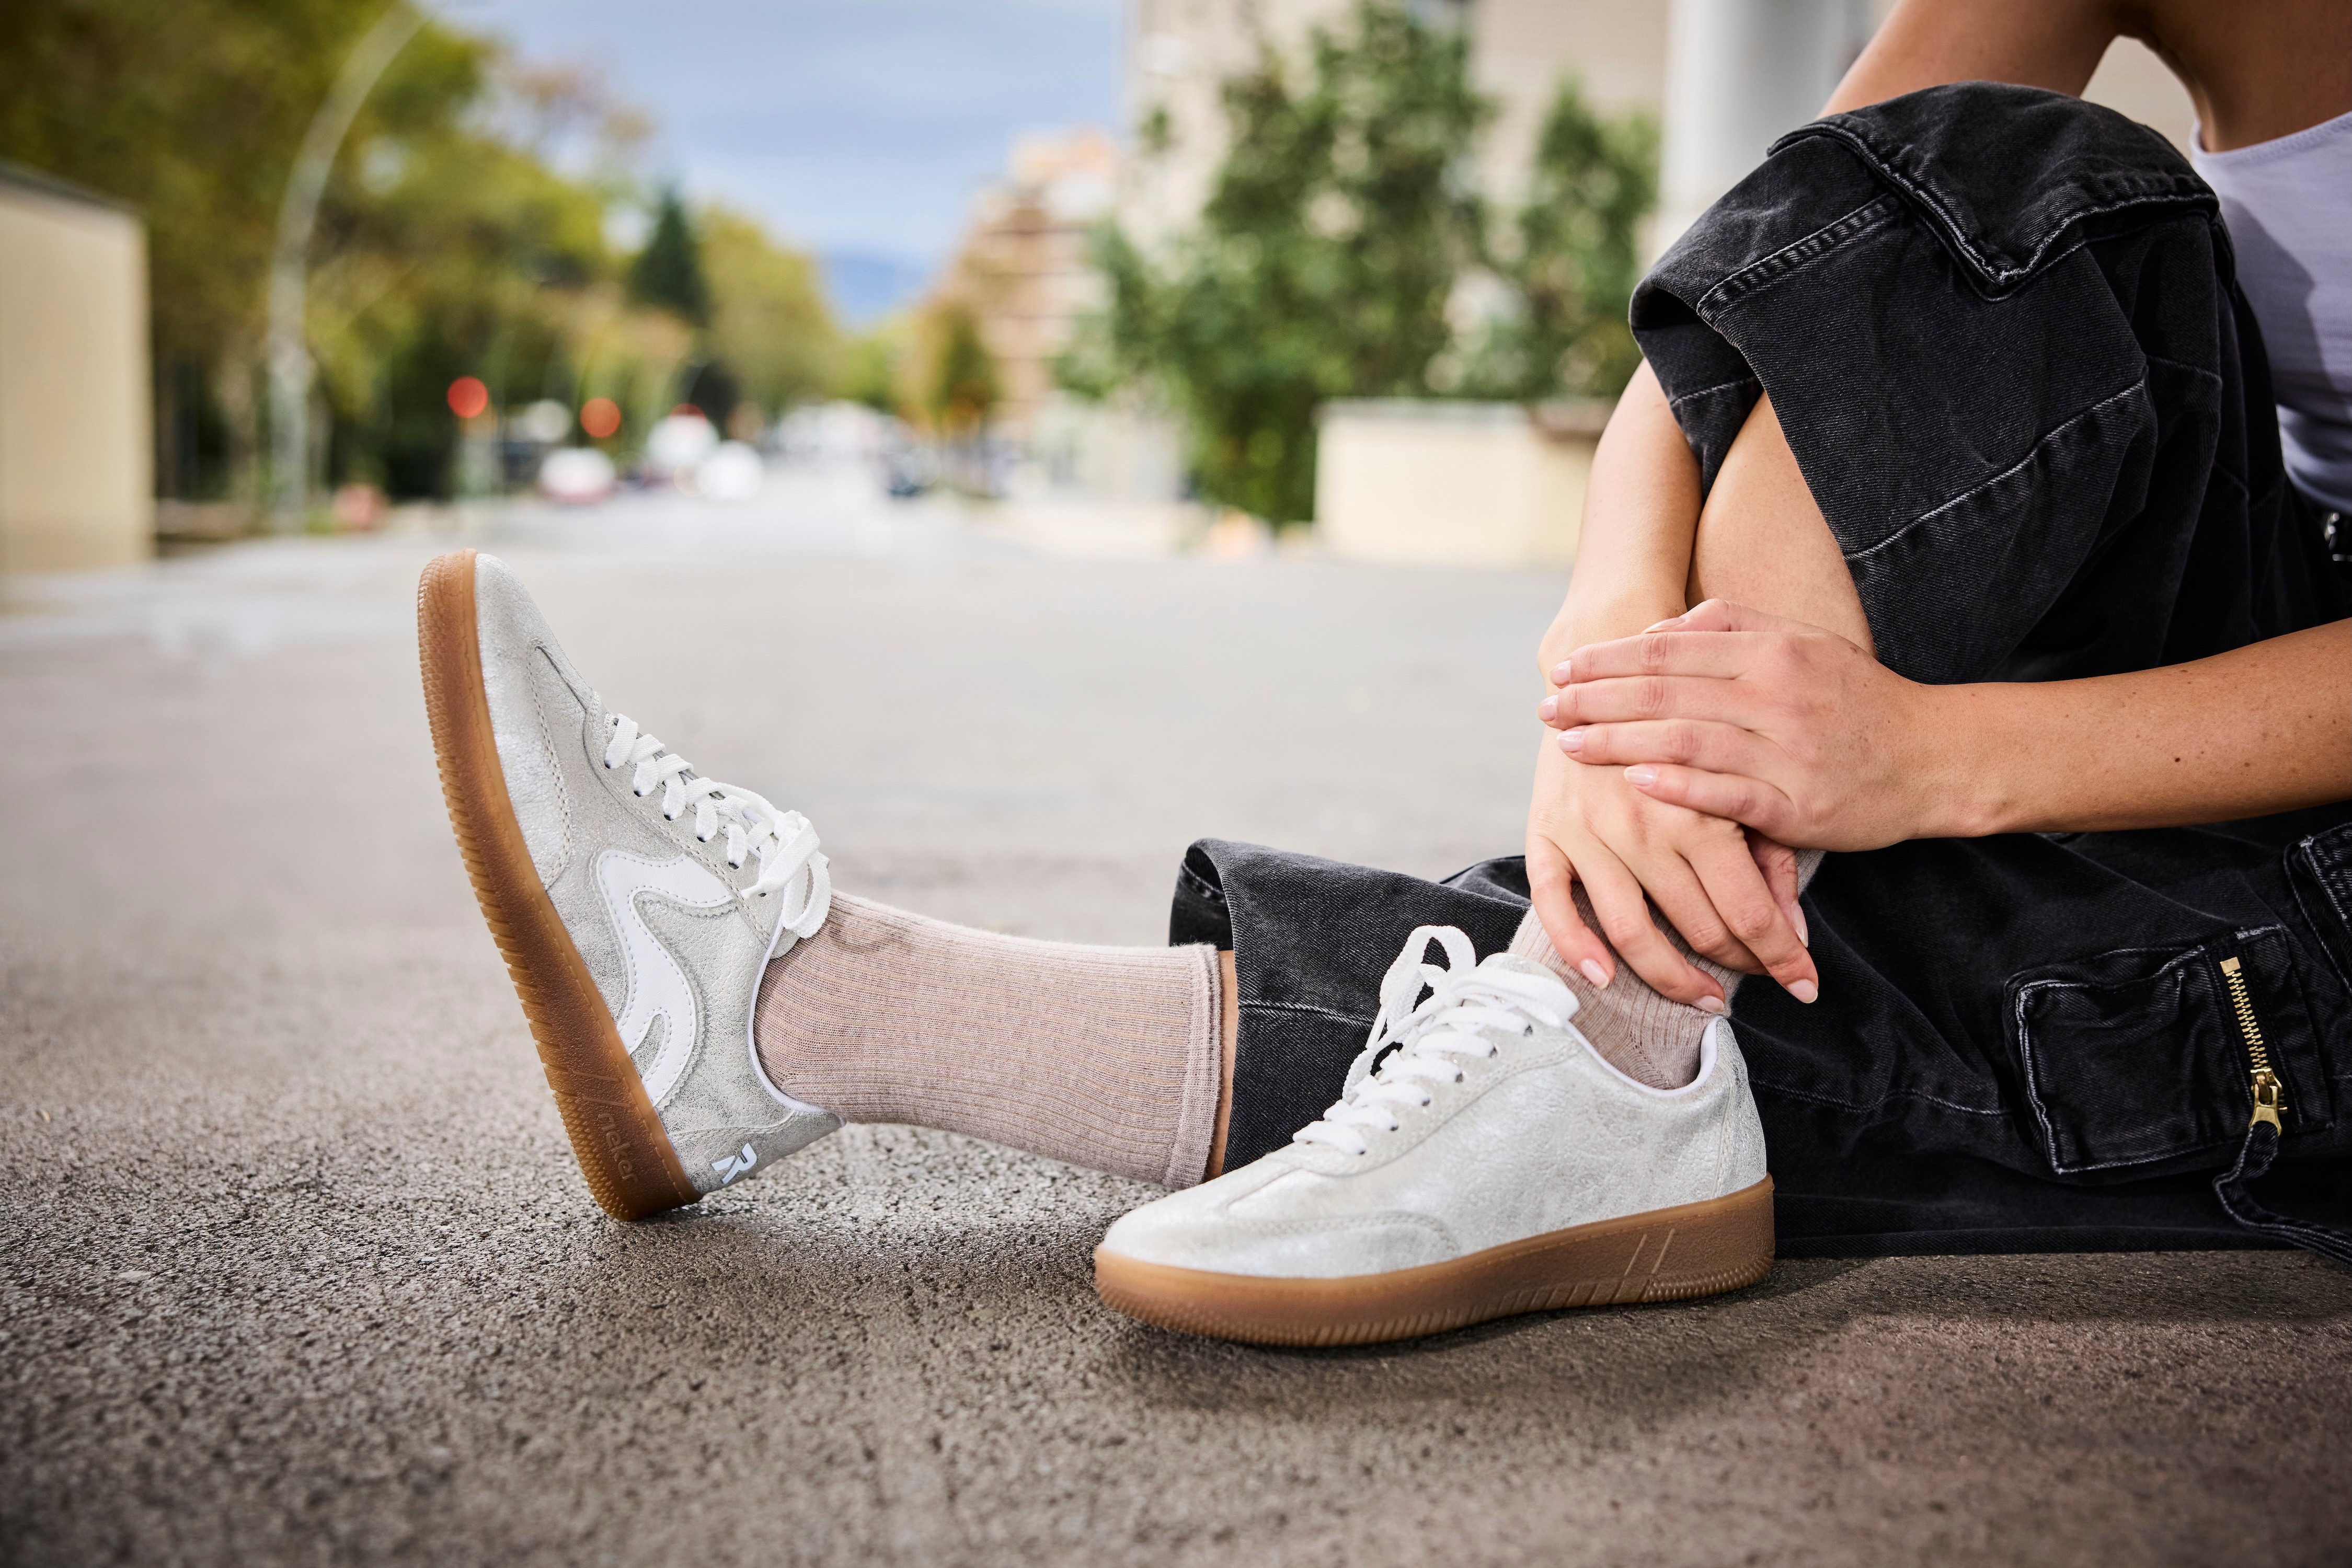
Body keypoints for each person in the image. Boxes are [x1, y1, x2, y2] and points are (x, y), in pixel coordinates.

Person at [419, 0, 2351, 1348]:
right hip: (2209, 649)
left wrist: (1935, 763)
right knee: (2024, 189)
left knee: (1743, 989)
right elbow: (1833, 249)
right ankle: (784, 1015)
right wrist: (1613, 637)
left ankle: (802, 1011)